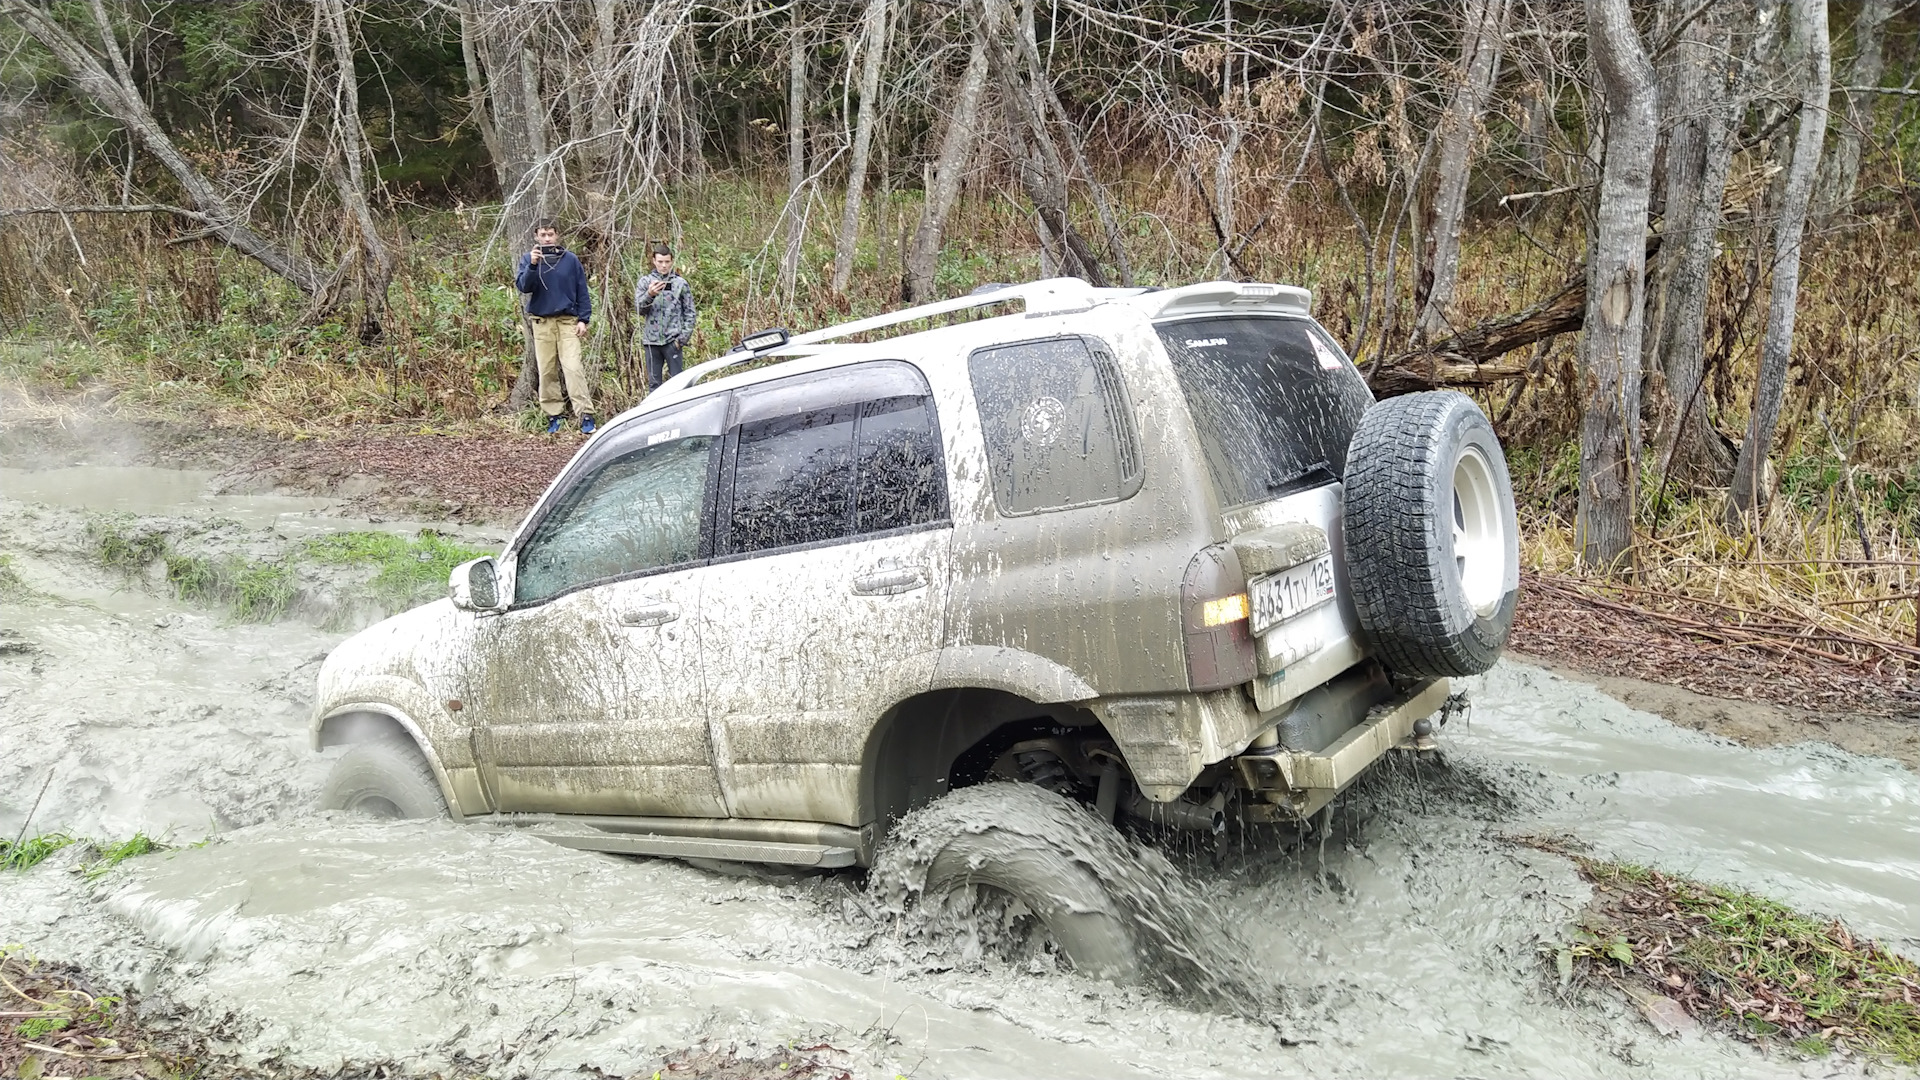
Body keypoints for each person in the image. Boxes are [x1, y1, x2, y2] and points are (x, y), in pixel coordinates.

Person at [515, 220, 596, 434]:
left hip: (567, 321)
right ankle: (554, 415)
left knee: (573, 367)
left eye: (550, 234)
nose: (547, 238)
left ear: (557, 235)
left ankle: (585, 414)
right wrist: (533, 265)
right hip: (542, 323)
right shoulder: (528, 259)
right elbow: (524, 287)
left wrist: (583, 319)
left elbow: (582, 290)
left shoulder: (570, 260)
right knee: (547, 370)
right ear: (536, 236)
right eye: (543, 234)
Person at [635, 244, 697, 391]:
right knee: (654, 385)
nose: (664, 265)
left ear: (672, 261)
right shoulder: (645, 282)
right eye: (660, 262)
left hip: (672, 340)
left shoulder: (680, 283)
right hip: (652, 341)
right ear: (654, 261)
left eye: (667, 262)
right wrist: (649, 295)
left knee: (678, 384)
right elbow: (639, 309)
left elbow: (690, 312)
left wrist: (682, 339)